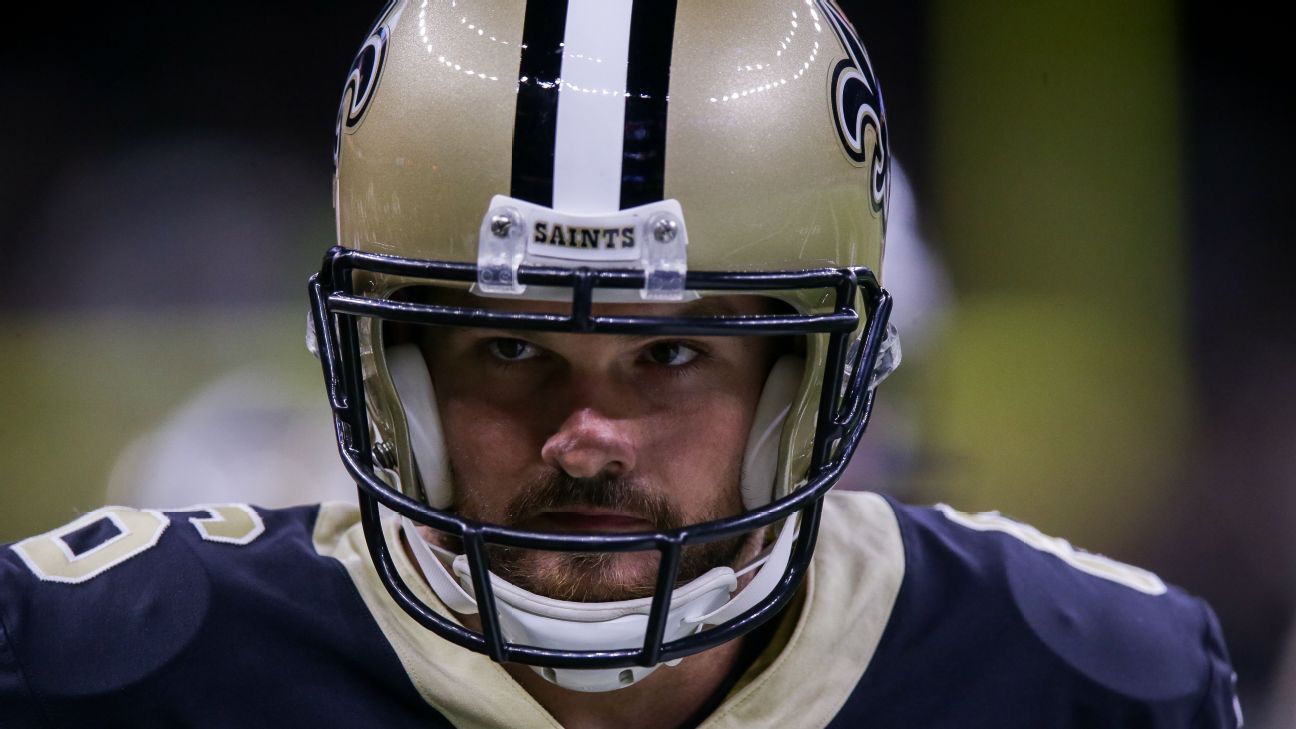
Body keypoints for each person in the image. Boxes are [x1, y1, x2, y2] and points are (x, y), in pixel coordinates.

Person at [0, 1, 1241, 727]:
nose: (586, 434)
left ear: (813, 387)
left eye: (669, 352)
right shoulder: (109, 664)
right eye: (509, 346)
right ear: (388, 373)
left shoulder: (1083, 683)